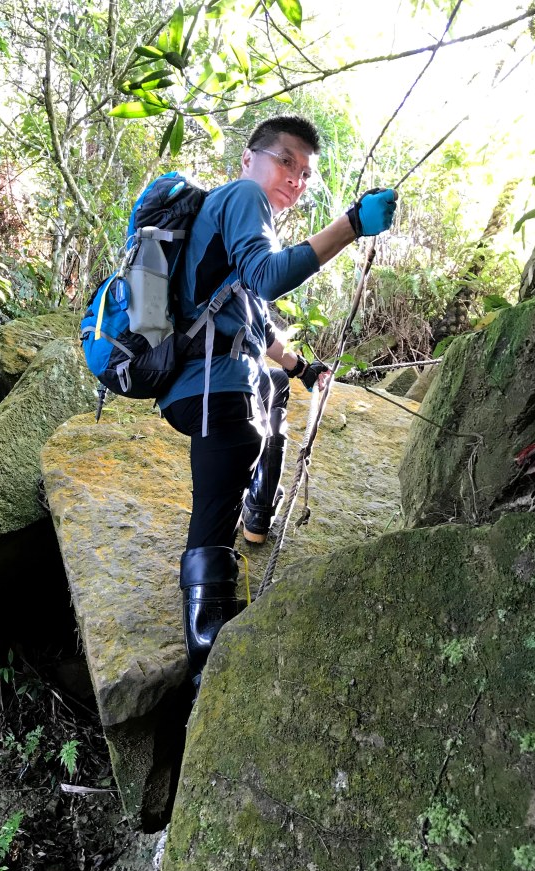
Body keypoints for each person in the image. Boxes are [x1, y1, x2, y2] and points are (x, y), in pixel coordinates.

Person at [156, 114, 397, 692]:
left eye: (305, 172)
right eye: (286, 161)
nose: (296, 178)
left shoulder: (231, 222)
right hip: (209, 389)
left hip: (211, 382)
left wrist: (302, 368)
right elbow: (265, 277)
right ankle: (206, 668)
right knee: (217, 505)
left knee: (273, 390)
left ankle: (257, 518)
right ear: (250, 159)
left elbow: (253, 321)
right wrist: (350, 225)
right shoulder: (243, 197)